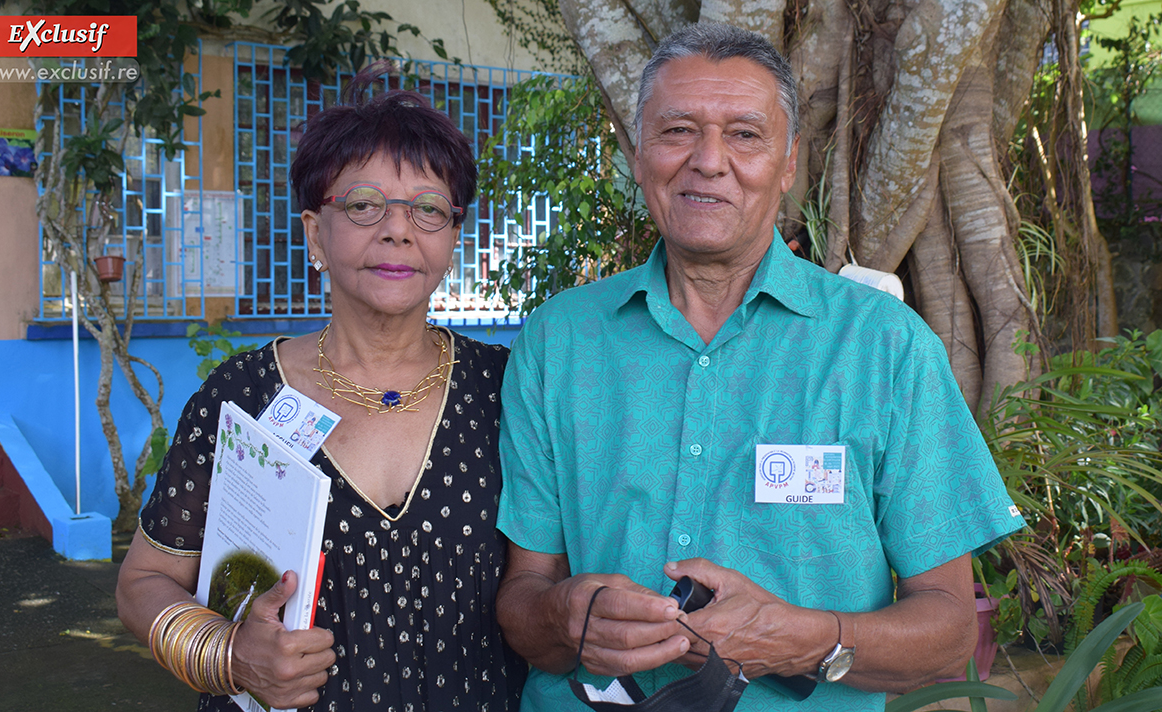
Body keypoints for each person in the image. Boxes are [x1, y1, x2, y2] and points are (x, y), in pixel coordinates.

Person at [494, 23, 1025, 712]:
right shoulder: (559, 340)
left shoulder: (886, 350)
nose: (708, 161)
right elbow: (522, 600)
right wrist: (568, 616)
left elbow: (949, 631)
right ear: (637, 152)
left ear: (787, 163)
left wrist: (806, 640)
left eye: (744, 134)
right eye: (678, 130)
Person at [117, 64, 526, 712]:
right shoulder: (241, 398)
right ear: (315, 232)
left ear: (452, 235)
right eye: (364, 204)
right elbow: (145, 581)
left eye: (428, 208)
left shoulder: (506, 390)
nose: (398, 229)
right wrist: (229, 656)